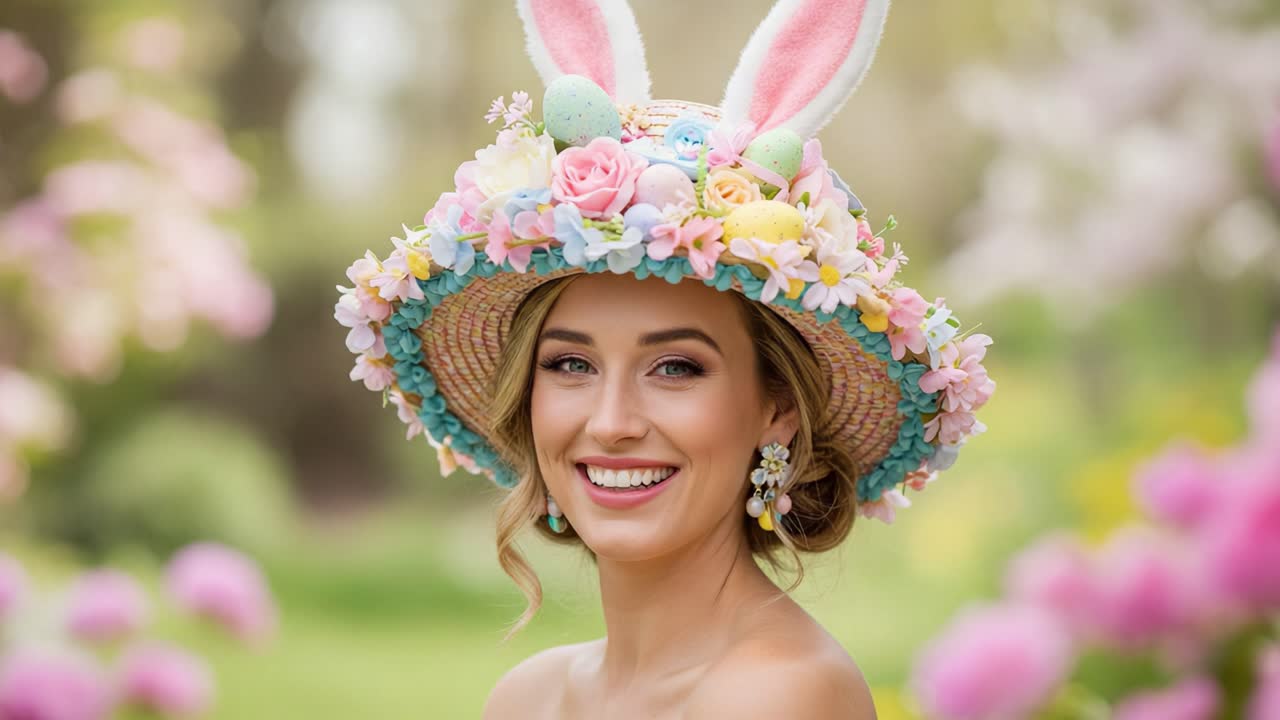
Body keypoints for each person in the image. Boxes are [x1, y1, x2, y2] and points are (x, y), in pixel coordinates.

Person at [335, 0, 995, 716]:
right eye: (570, 365)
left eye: (676, 368)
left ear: (776, 407)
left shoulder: (784, 696)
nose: (612, 422)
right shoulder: (525, 698)